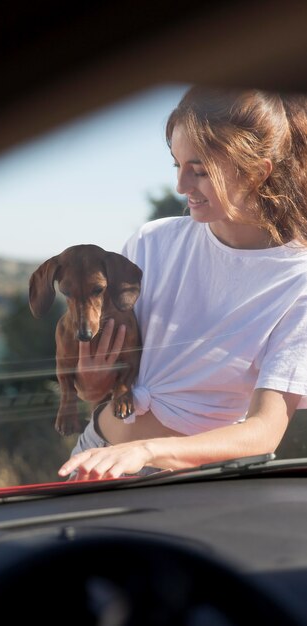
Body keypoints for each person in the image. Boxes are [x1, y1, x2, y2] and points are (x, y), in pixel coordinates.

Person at [58, 85, 307, 481]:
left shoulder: (298, 282)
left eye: (200, 170)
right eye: (176, 165)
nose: (181, 186)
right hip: (96, 456)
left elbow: (264, 432)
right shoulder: (150, 244)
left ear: (258, 172)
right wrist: (91, 382)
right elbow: (102, 386)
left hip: (188, 485)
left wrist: (145, 451)